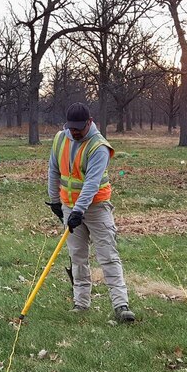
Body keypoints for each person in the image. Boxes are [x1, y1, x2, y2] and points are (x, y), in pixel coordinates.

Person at [46, 102, 135, 323]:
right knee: (77, 257)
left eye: (79, 127)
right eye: (71, 127)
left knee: (108, 256)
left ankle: (120, 305)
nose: (74, 132)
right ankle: (81, 303)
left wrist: (79, 210)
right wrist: (56, 202)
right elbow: (53, 170)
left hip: (97, 208)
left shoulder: (99, 147)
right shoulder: (60, 138)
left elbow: (91, 184)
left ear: (89, 122)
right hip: (68, 207)